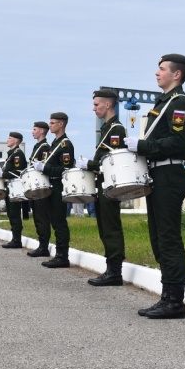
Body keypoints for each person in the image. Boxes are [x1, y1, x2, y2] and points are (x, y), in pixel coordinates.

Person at [125, 54, 185, 319]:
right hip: (158, 174)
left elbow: (178, 143)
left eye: (162, 69)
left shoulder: (180, 104)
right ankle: (166, 296)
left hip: (169, 174)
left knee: (168, 238)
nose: (157, 72)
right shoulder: (164, 101)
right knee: (158, 238)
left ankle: (175, 302)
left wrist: (142, 146)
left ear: (176, 75)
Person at [77, 89, 128, 286]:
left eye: (97, 104)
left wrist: (89, 165)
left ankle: (115, 272)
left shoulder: (116, 129)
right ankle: (110, 269)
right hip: (102, 184)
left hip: (110, 184)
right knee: (104, 227)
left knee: (111, 227)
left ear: (108, 104)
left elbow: (112, 161)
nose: (94, 108)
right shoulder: (107, 128)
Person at [33, 112, 74, 268]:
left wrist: (45, 167)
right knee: (54, 221)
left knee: (59, 222)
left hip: (58, 186)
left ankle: (63, 256)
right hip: (50, 186)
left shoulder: (65, 144)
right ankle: (58, 254)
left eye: (52, 123)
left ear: (61, 124)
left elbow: (66, 169)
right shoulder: (55, 144)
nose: (49, 126)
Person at [26, 121, 52, 258]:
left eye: (34, 129)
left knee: (42, 217)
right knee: (37, 217)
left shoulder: (45, 147)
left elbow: (44, 164)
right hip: (34, 187)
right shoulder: (37, 146)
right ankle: (41, 244)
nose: (32, 131)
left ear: (42, 131)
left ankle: (44, 246)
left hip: (41, 186)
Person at [0, 132, 28, 249]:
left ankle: (17, 240)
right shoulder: (11, 154)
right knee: (11, 213)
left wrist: (4, 174)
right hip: (10, 187)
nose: (7, 140)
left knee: (15, 214)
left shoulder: (18, 154)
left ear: (16, 141)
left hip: (15, 187)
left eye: (10, 138)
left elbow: (19, 171)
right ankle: (14, 238)